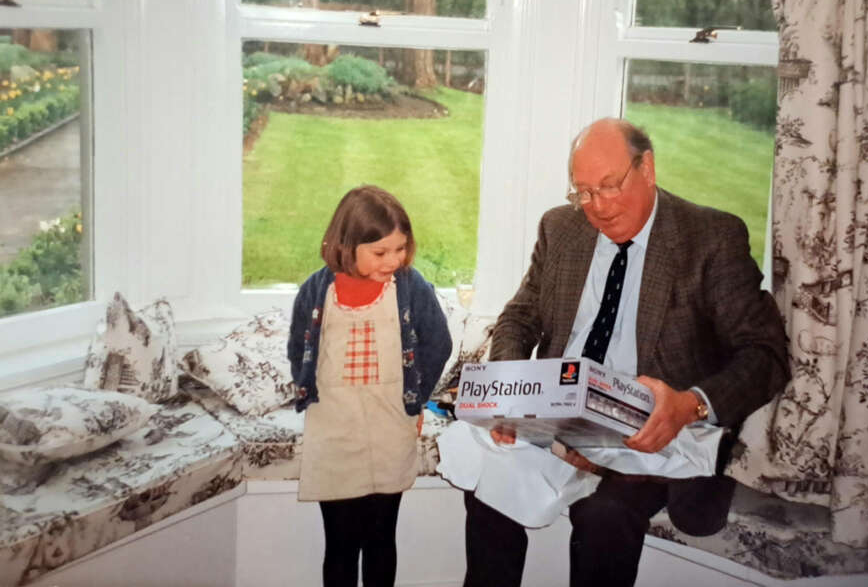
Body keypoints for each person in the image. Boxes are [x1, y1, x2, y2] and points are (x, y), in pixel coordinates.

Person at [462, 118, 789, 587]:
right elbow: (520, 317)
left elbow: (765, 354)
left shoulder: (711, 238)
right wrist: (510, 396)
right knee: (488, 490)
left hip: (651, 435)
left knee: (604, 517)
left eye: (610, 186)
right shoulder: (561, 228)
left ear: (648, 168)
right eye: (584, 192)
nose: (597, 206)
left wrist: (689, 404)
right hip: (557, 417)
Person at [288, 186, 452, 587]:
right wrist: (306, 387)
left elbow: (439, 343)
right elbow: (298, 346)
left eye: (400, 249)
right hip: (334, 431)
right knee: (340, 545)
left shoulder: (411, 288)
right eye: (380, 253)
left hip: (390, 427)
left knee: (381, 539)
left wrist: (416, 398)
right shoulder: (316, 290)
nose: (393, 261)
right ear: (347, 245)